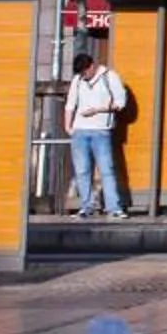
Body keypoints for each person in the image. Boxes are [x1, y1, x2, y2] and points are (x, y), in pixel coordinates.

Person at [62, 50, 129, 220]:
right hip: (80, 131)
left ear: (92, 66)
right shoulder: (77, 80)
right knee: (82, 171)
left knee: (106, 169)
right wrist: (68, 126)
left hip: (101, 130)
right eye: (81, 73)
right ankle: (86, 206)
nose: (84, 76)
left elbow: (120, 102)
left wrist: (98, 110)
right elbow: (70, 104)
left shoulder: (109, 76)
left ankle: (113, 207)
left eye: (85, 72)